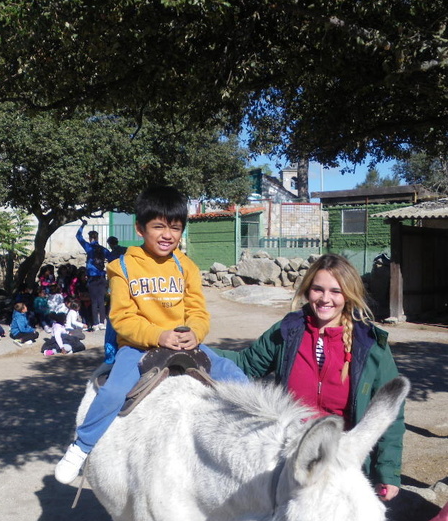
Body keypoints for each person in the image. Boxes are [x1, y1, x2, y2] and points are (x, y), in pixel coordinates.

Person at [55, 185, 247, 484]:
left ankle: (260, 432)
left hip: (184, 341)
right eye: (158, 226)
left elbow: (198, 311)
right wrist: (158, 336)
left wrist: (195, 332)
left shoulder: (187, 267)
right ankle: (81, 447)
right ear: (140, 228)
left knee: (231, 372)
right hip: (138, 346)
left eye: (175, 228)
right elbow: (121, 318)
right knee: (115, 391)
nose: (167, 235)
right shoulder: (122, 268)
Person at [205, 253, 405, 502]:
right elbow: (246, 364)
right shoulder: (288, 331)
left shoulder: (371, 345)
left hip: (343, 461)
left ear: (349, 294)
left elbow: (390, 414)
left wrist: (388, 471)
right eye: (318, 289)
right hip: (291, 459)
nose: (325, 299)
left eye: (335, 291)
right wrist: (201, 352)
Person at [76, 223, 111, 331]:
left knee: (94, 301)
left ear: (90, 238)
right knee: (101, 300)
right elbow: (111, 257)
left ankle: (95, 323)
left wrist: (82, 225)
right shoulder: (103, 249)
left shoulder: (89, 248)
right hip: (101, 277)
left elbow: (78, 236)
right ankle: (102, 322)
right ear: (97, 237)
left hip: (92, 278)